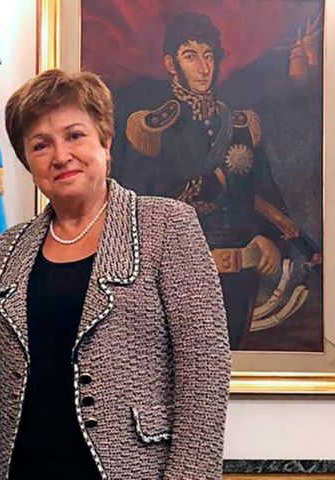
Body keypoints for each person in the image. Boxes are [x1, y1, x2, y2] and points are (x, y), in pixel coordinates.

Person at [0, 69, 231, 479]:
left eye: (75, 135)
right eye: (41, 145)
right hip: (26, 466)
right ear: (28, 162)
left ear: (105, 141)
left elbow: (205, 367)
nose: (60, 156)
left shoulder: (167, 225)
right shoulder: (8, 247)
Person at [116, 12, 319, 349]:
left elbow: (263, 195)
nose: (203, 67)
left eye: (208, 55)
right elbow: (136, 208)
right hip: (177, 278)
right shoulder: (151, 129)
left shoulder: (240, 126)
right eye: (190, 56)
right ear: (171, 63)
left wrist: (267, 239)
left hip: (240, 277)